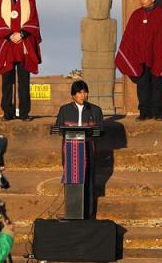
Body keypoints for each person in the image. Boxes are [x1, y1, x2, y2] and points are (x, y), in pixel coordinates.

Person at [0, 0, 41, 122]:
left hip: (24, 46)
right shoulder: (0, 2)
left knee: (24, 81)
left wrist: (22, 34)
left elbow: (33, 21)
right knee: (7, 81)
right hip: (7, 46)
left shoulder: (30, 1)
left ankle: (24, 113)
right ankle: (7, 113)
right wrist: (9, 35)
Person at [55, 80, 103, 219]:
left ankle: (89, 215)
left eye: (84, 92)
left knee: (89, 182)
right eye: (79, 92)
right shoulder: (64, 110)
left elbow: (101, 130)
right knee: (71, 181)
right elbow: (59, 129)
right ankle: (72, 213)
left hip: (88, 150)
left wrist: (90, 131)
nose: (83, 95)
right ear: (73, 95)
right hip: (70, 151)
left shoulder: (95, 110)